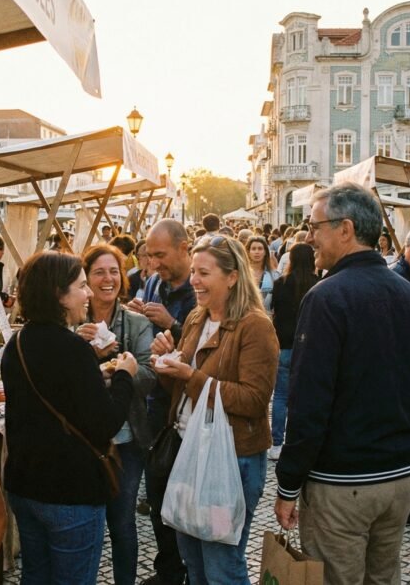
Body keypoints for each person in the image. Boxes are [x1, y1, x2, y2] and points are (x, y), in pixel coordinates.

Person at [275, 183, 410, 585]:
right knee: (383, 578)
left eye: (315, 226)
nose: (309, 236)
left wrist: (288, 484)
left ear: (345, 229)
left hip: (343, 483)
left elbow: (308, 405)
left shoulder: (326, 298)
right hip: (399, 477)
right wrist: (408, 451)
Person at [2, 251, 137, 585]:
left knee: (36, 576)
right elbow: (106, 423)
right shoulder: (73, 348)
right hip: (70, 490)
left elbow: (51, 393)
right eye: (81, 286)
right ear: (58, 294)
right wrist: (124, 375)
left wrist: (94, 370)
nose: (88, 293)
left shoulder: (17, 343)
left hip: (25, 487)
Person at [151, 235, 279, 584]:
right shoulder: (197, 317)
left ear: (232, 277)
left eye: (204, 273)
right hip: (189, 452)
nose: (194, 280)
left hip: (231, 461)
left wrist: (191, 377)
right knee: (193, 560)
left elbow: (254, 400)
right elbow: (181, 390)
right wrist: (165, 365)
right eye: (194, 271)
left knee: (222, 565)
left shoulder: (255, 326)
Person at [76, 245, 156, 585]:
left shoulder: (137, 323)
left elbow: (150, 376)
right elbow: (61, 380)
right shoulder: (73, 323)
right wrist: (80, 350)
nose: (107, 279)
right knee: (86, 524)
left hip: (126, 439)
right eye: (98, 272)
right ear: (85, 279)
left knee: (122, 523)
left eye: (113, 272)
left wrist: (118, 367)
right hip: (82, 440)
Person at [125, 219, 196, 585]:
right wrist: (137, 315)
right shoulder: (153, 282)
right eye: (149, 255)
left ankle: (192, 570)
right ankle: (168, 570)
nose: (153, 263)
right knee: (157, 492)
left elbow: (206, 351)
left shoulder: (201, 287)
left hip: (187, 406)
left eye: (160, 255)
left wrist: (173, 324)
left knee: (189, 496)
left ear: (184, 248)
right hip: (156, 403)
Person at [268, 243, 319, 461]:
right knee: (306, 396)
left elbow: (274, 311)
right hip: (310, 347)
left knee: (280, 395)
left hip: (284, 344)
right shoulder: (318, 284)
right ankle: (300, 440)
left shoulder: (280, 283)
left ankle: (276, 443)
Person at [245, 236, 278, 312]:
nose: (257, 252)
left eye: (260, 249)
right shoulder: (241, 274)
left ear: (265, 252)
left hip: (267, 315)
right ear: (248, 252)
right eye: (253, 249)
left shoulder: (274, 275)